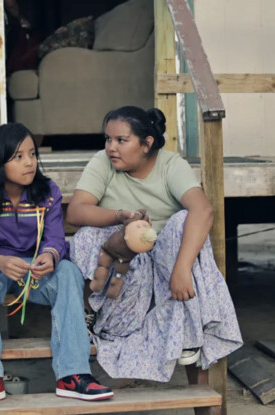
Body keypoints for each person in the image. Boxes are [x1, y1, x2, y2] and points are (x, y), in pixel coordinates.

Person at [67, 106, 243, 382]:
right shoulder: (103, 161)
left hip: (167, 264)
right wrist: (119, 216)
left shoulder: (171, 165)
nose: (111, 147)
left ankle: (189, 330)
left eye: (121, 140)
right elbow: (76, 211)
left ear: (147, 144)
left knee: (184, 221)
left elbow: (203, 210)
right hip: (125, 268)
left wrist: (182, 269)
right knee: (87, 236)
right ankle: (95, 315)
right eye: (108, 139)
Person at [0, 123, 114, 407]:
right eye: (18, 156)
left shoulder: (45, 191)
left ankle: (73, 375)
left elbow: (55, 237)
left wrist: (50, 257)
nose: (29, 162)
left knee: (67, 271)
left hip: (35, 273)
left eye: (32, 154)